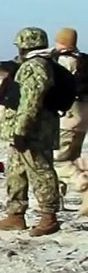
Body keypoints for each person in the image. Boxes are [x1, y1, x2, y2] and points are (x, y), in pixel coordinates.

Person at [0, 26, 61, 235]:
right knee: (16, 172)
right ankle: (15, 215)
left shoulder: (35, 67)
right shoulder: (35, 64)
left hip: (33, 132)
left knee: (41, 172)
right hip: (23, 131)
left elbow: (30, 102)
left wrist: (21, 131)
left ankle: (49, 216)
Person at [51, 28, 88, 194]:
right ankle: (58, 197)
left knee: (58, 160)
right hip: (82, 116)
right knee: (72, 158)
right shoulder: (83, 60)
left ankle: (79, 180)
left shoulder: (64, 62)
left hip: (68, 116)